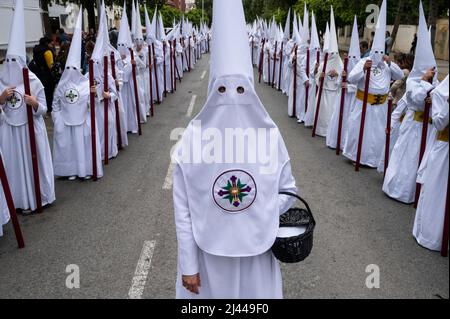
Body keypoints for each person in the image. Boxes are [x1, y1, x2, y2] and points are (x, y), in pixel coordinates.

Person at [173, 0, 297, 299]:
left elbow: (288, 190)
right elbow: (183, 209)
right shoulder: (194, 137)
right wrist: (188, 265)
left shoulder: (269, 135)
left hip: (257, 252)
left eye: (240, 90)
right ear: (211, 90)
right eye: (223, 89)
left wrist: (258, 209)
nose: (232, 98)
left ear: (252, 93)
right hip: (208, 255)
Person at [0, 0, 55, 214]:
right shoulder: (2, 84)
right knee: (14, 168)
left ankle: (39, 197)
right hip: (10, 134)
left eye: (16, 61)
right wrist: (1, 99)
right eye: (8, 60)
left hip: (31, 130)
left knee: (34, 165)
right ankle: (17, 201)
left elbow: (44, 109)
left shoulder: (33, 82)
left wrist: (34, 103)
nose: (12, 64)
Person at [382, 3, 439, 204]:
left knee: (421, 162)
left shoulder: (438, 83)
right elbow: (415, 99)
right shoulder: (415, 81)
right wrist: (424, 82)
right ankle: (400, 191)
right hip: (413, 128)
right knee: (406, 159)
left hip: (429, 128)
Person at [343, 0, 403, 168]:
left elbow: (399, 75)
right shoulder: (364, 61)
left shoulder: (386, 64)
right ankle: (357, 156)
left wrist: (389, 63)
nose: (378, 55)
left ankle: (374, 159)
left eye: (380, 52)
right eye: (375, 52)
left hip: (381, 105)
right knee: (360, 131)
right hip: (364, 104)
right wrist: (364, 69)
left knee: (377, 134)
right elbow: (351, 78)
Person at [51, 8, 103, 181]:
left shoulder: (85, 84)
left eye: (75, 68)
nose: (72, 71)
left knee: (82, 147)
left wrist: (94, 96)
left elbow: (93, 104)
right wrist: (57, 119)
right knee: (69, 148)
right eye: (69, 69)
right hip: (65, 122)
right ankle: (69, 170)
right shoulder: (61, 86)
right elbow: (55, 104)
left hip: (82, 121)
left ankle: (85, 169)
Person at [413, 75, 448, 251]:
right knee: (437, 189)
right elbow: (440, 123)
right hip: (445, 150)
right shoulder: (441, 94)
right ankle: (433, 235)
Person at [326, 16, 360, 150]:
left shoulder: (360, 70)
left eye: (354, 58)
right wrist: (342, 77)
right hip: (342, 98)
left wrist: (350, 86)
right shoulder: (344, 67)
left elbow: (361, 86)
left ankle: (346, 144)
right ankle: (335, 141)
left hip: (353, 99)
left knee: (349, 121)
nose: (351, 60)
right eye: (349, 57)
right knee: (338, 118)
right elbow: (338, 82)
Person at [312, 9, 342, 137]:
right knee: (323, 112)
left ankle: (331, 132)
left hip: (335, 93)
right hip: (324, 92)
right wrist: (320, 76)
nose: (333, 56)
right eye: (332, 54)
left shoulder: (340, 64)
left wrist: (338, 75)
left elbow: (345, 78)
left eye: (335, 54)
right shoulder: (323, 64)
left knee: (333, 112)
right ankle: (320, 130)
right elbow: (316, 78)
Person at [32, 36, 56, 111]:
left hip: (38, 74)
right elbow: (50, 66)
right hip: (47, 76)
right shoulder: (47, 51)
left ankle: (41, 107)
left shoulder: (36, 50)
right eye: (51, 44)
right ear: (46, 43)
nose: (52, 45)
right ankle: (49, 109)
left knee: (41, 93)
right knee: (49, 93)